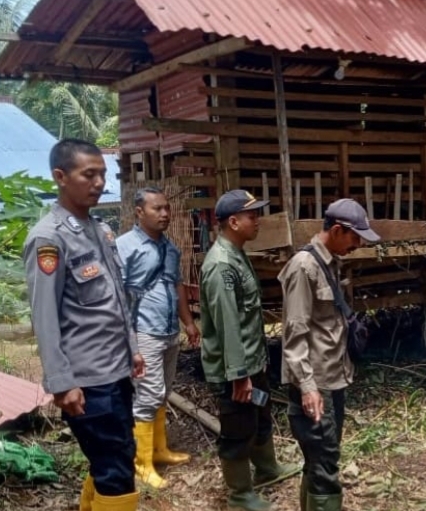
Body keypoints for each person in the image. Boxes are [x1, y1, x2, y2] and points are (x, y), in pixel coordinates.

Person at [23, 138, 145, 511]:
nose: (98, 183)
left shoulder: (98, 229)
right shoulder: (49, 238)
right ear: (60, 176)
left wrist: (133, 349)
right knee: (115, 468)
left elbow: (116, 301)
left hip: (115, 370)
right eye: (88, 174)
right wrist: (63, 383)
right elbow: (44, 318)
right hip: (88, 380)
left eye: (102, 174)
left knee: (115, 456)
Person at [279, 198, 381, 511]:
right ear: (337, 230)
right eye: (354, 237)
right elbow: (294, 333)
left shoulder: (330, 262)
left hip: (333, 377)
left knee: (321, 458)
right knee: (325, 464)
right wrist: (308, 387)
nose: (358, 243)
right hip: (315, 382)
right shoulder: (304, 266)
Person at [201, 190, 299, 511]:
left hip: (252, 363)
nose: (257, 221)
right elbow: (228, 326)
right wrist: (238, 377)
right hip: (235, 372)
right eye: (252, 216)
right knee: (237, 429)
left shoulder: (237, 252)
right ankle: (240, 495)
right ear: (233, 221)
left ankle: (268, 468)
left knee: (260, 414)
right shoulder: (221, 265)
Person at [116, 186, 200, 489]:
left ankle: (160, 450)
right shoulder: (124, 247)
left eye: (167, 208)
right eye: (157, 209)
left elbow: (177, 286)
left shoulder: (170, 248)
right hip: (143, 331)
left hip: (168, 330)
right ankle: (142, 463)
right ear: (139, 212)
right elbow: (117, 295)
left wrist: (188, 322)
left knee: (162, 391)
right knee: (147, 395)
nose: (164, 214)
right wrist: (127, 339)